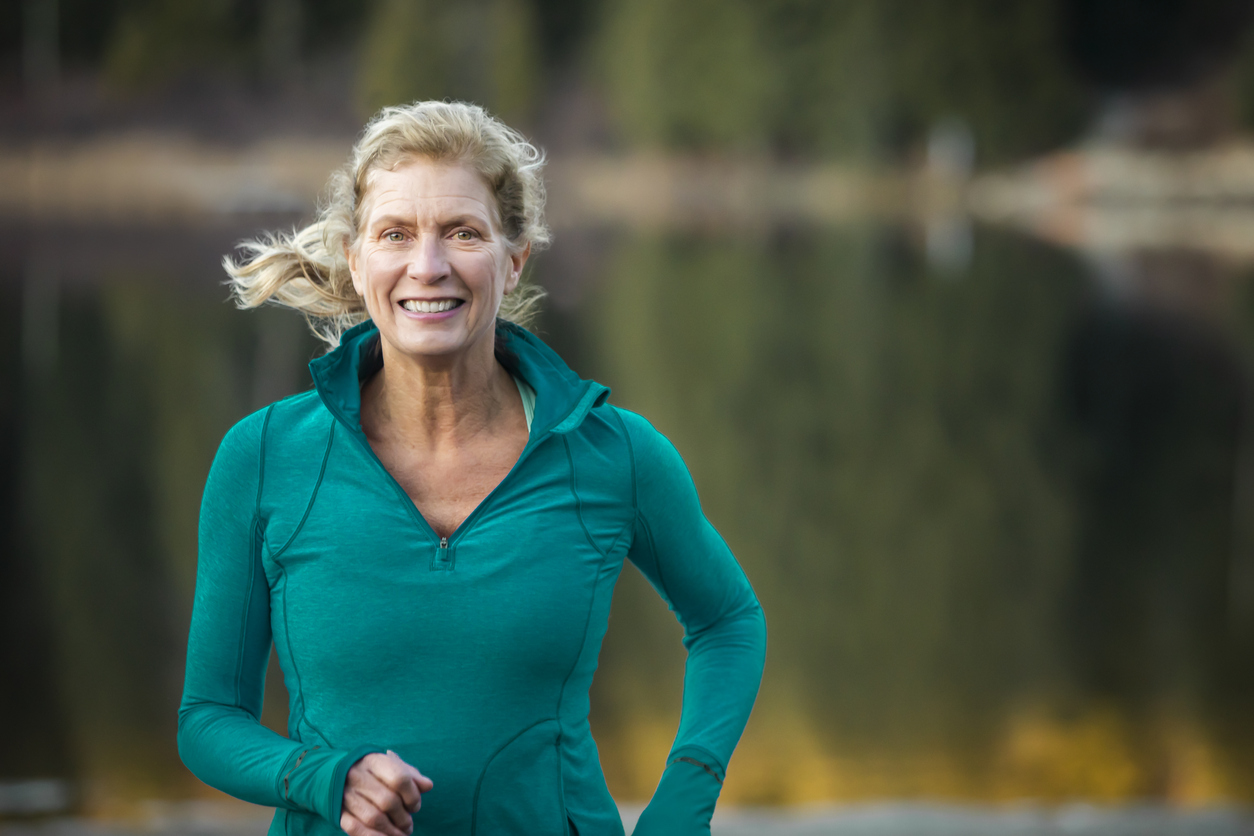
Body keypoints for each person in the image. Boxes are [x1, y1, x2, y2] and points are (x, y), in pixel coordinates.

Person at [177, 100, 766, 836]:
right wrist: (324, 778)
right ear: (358, 260)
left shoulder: (614, 454)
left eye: (462, 232)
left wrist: (685, 797)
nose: (428, 266)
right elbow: (208, 719)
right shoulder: (264, 458)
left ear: (513, 257)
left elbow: (728, 621)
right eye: (396, 234)